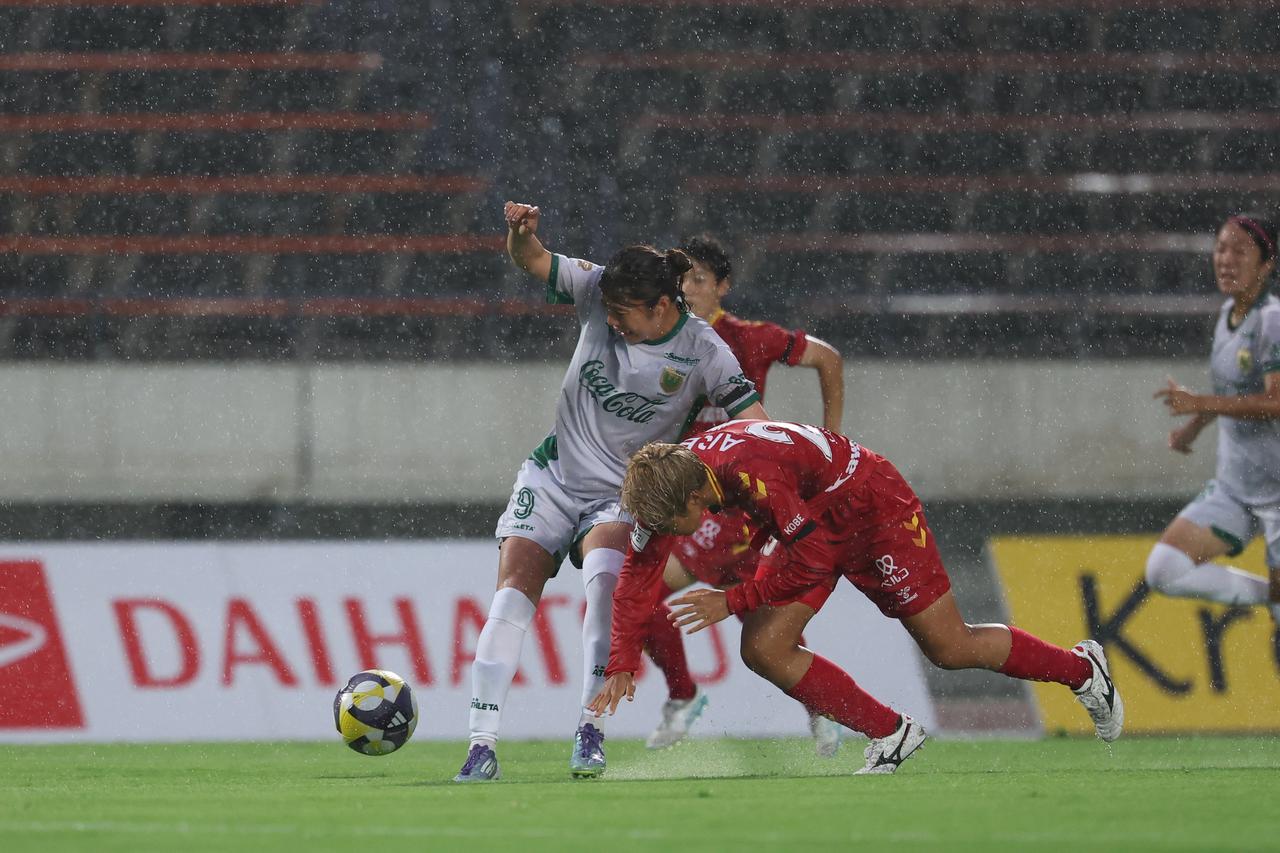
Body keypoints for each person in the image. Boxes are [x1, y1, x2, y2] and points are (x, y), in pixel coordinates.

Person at [590, 420, 1123, 774]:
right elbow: (638, 573)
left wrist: (731, 601)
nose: (669, 535)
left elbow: (813, 559)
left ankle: (1081, 671)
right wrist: (620, 662)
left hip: (872, 506)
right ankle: (891, 733)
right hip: (811, 516)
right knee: (765, 649)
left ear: (693, 498)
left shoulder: (753, 476)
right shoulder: (672, 480)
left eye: (671, 525)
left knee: (950, 647)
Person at [453, 202, 768, 782]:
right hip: (552, 476)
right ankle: (481, 745)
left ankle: (590, 731)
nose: (614, 324)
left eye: (627, 317)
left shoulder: (705, 353)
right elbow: (533, 259)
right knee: (510, 597)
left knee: (604, 595)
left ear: (662, 307)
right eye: (611, 314)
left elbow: (757, 426)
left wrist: (748, 495)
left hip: (622, 496)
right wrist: (518, 234)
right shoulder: (598, 286)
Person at [639, 235, 847, 753]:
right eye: (681, 280)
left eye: (699, 281)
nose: (688, 290)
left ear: (723, 287)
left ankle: (813, 706)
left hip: (748, 506)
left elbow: (829, 359)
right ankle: (690, 697)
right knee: (756, 626)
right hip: (694, 504)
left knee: (760, 629)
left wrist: (831, 439)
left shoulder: (749, 339)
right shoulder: (657, 342)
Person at [1149, 212, 1280, 623]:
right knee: (1165, 570)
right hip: (1236, 489)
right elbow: (1231, 393)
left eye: (1240, 251)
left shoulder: (1272, 320)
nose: (1225, 259)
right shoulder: (1228, 316)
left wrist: (1200, 404)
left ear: (1266, 264)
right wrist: (1192, 427)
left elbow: (1276, 402)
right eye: (1221, 248)